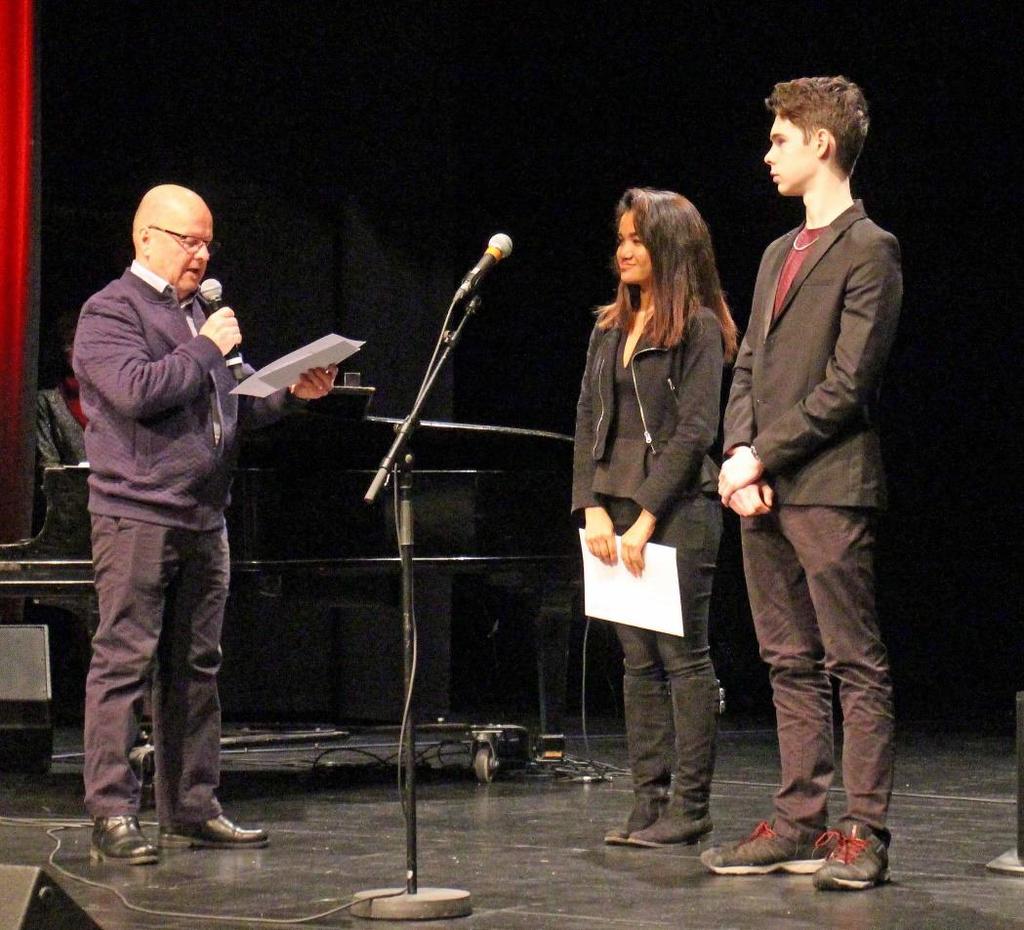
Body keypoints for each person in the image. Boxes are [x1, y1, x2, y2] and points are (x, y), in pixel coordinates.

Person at [74, 184, 337, 865]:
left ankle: (191, 805)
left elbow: (233, 409)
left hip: (203, 517)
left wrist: (290, 394)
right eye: (189, 240)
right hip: (136, 514)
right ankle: (111, 811)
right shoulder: (109, 312)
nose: (201, 254)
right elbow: (137, 390)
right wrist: (208, 350)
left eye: (207, 242)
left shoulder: (200, 316)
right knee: (124, 664)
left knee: (196, 669)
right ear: (146, 239)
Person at [701, 77, 902, 890]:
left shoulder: (870, 248)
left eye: (781, 138)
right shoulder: (774, 254)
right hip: (763, 486)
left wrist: (762, 457)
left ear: (821, 143)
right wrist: (736, 456)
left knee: (852, 661)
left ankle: (864, 831)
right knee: (786, 659)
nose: (768, 152)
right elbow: (747, 362)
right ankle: (797, 820)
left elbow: (848, 385)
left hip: (827, 483)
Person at [572, 188, 737, 847]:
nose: (624, 249)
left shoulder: (697, 324)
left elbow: (696, 429)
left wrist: (644, 518)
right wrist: (591, 508)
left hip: (678, 510)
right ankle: (648, 804)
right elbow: (587, 420)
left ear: (670, 246)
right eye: (621, 238)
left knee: (681, 658)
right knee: (636, 662)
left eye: (638, 239)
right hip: (611, 509)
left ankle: (689, 810)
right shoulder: (608, 327)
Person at [36, 309, 88, 471]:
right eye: (68, 343)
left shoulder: (113, 395)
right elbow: (49, 465)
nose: (71, 350)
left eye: (80, 342)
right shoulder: (47, 400)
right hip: (71, 492)